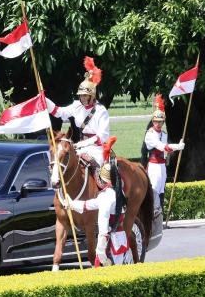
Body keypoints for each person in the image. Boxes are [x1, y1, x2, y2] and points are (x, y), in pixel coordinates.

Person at [67, 138, 129, 266]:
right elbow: (89, 205)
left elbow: (103, 228)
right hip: (121, 240)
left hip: (108, 245)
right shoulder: (119, 192)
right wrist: (71, 203)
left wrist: (100, 252)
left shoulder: (105, 197)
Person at [47, 56, 110, 169]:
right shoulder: (76, 106)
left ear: (92, 96)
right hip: (79, 146)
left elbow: (102, 136)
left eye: (85, 95)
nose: (83, 98)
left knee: (101, 173)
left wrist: (84, 144)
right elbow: (59, 112)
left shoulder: (101, 111)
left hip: (96, 149)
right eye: (81, 96)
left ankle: (106, 187)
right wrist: (45, 100)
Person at [144, 94, 184, 214]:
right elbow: (162, 147)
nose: (158, 124)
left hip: (162, 165)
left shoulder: (164, 134)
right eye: (156, 121)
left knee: (161, 190)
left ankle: (160, 215)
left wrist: (175, 148)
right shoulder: (150, 134)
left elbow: (165, 150)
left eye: (161, 122)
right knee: (154, 189)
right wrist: (177, 146)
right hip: (154, 165)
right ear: (153, 121)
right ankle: (152, 213)